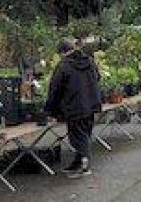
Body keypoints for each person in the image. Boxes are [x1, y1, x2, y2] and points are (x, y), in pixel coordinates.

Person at [44, 39, 102, 178]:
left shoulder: (63, 66)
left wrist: (49, 109)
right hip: (91, 104)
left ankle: (85, 166)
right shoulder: (89, 61)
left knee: (78, 137)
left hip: (74, 107)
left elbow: (55, 88)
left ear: (62, 52)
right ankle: (77, 163)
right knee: (85, 134)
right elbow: (98, 77)